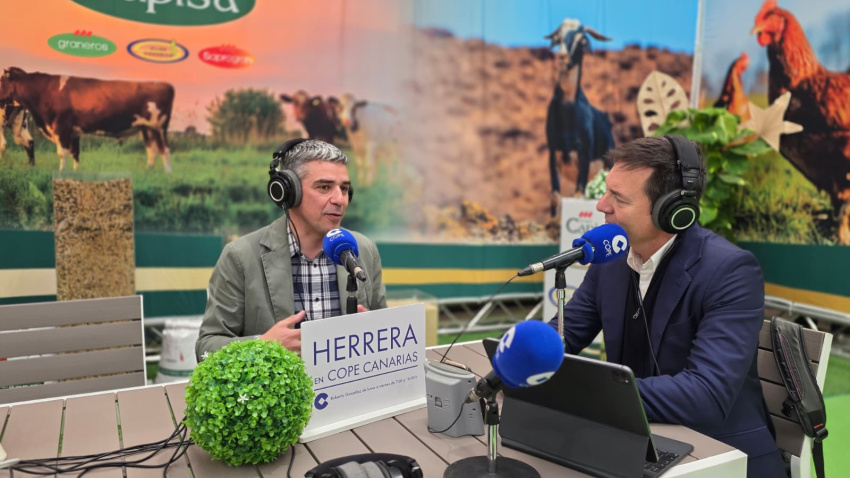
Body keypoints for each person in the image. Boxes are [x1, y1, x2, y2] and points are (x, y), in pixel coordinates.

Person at [553, 136, 784, 477]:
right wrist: (522, 357)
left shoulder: (730, 270)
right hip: (638, 442)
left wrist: (590, 394)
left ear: (672, 210)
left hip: (720, 454)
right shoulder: (610, 261)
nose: (602, 205)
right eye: (606, 191)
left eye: (618, 198)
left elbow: (706, 394)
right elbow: (567, 331)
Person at [196, 139, 387, 359]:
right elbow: (206, 348)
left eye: (344, 188)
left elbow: (384, 331)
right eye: (324, 187)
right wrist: (263, 346)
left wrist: (374, 330)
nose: (339, 199)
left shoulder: (363, 249)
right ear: (288, 191)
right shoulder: (240, 257)